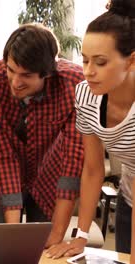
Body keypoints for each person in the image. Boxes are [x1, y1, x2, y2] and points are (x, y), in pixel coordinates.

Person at [0, 24, 85, 247]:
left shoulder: (74, 85)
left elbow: (72, 161)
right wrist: (13, 232)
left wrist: (56, 234)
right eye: (11, 70)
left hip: (50, 174)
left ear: (48, 72)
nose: (15, 82)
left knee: (44, 245)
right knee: (3, 245)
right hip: (6, 177)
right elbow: (2, 155)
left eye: (26, 75)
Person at [45, 0, 135, 261]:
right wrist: (81, 235)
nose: (88, 71)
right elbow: (93, 168)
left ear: (130, 61)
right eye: (84, 60)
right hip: (129, 198)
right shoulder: (85, 94)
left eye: (101, 62)